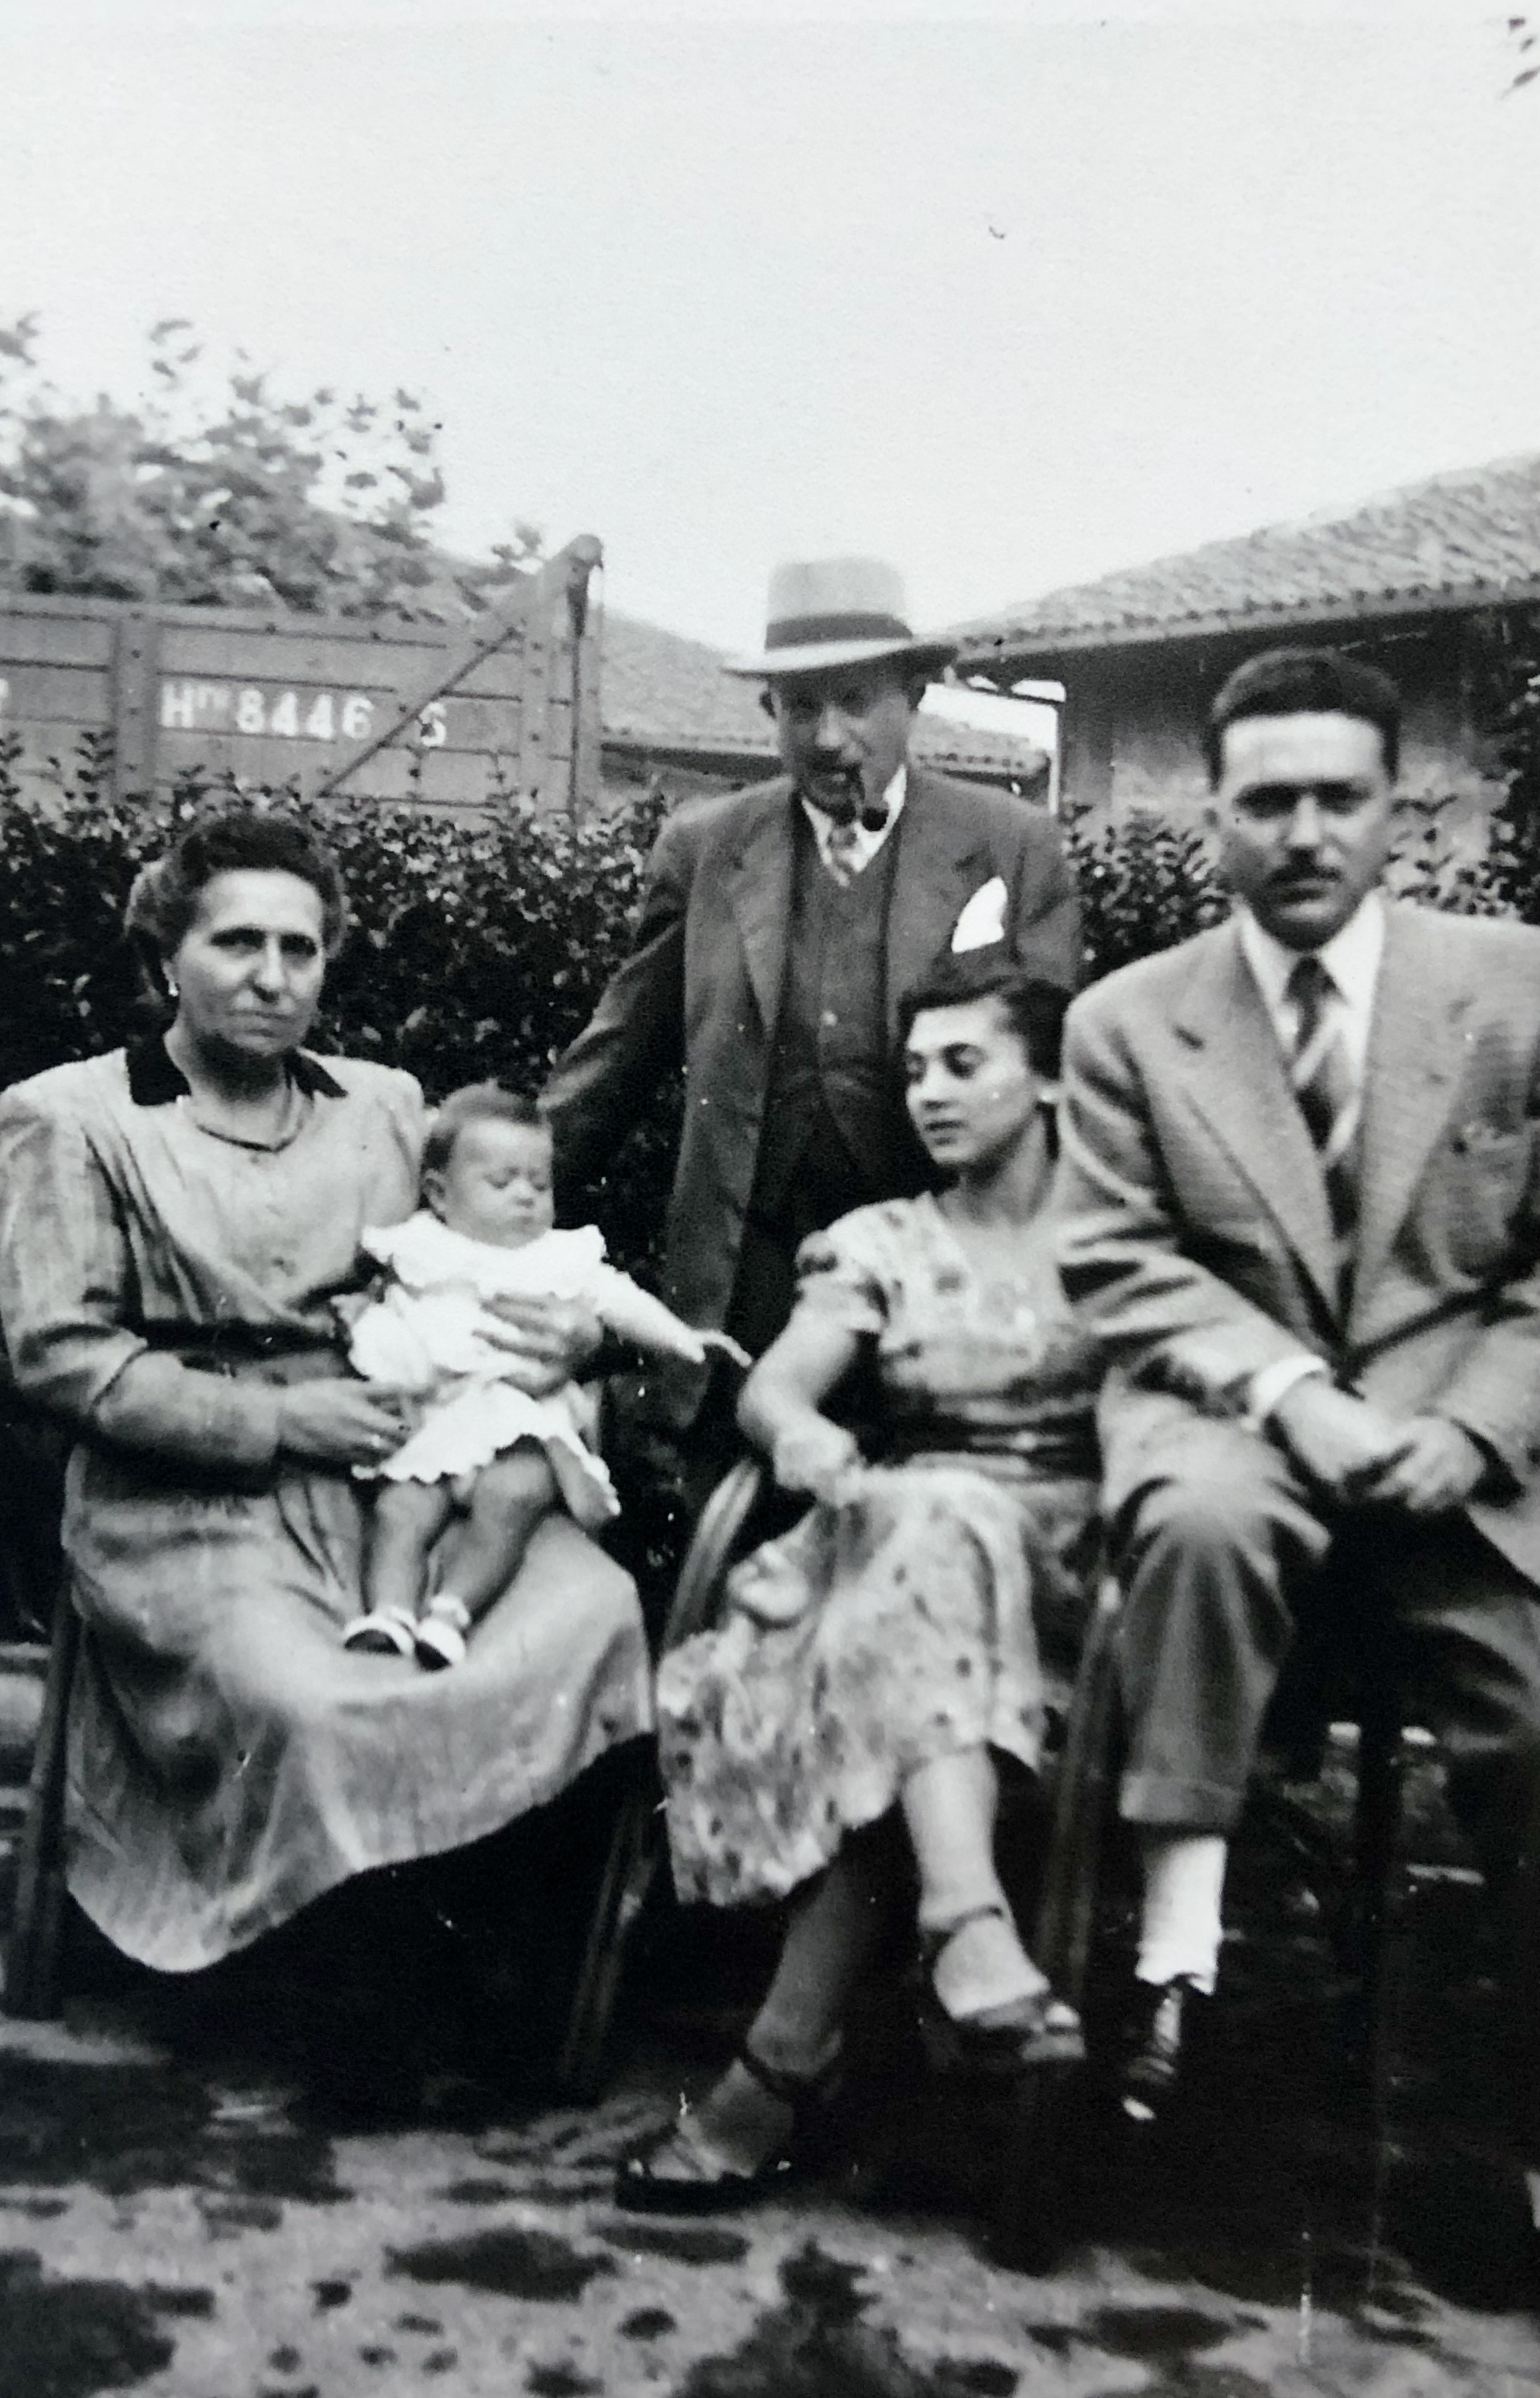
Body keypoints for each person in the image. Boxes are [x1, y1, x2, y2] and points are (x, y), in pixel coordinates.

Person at [0, 808, 650, 2052]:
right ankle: (355, 1985)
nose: (271, 976)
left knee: (588, 1611)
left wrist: (566, 1339)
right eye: (236, 943)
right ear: (164, 959)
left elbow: (473, 1267)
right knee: (310, 1693)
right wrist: (278, 1418)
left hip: (392, 1461)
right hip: (184, 1497)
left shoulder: (382, 1107)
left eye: (300, 950)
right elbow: (59, 1355)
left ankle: (489, 1952)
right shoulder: (74, 1117)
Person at [1054, 646, 1540, 2174]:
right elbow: (1115, 1259)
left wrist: (1464, 1429)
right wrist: (1284, 1395)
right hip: (1230, 1413)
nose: (1304, 832)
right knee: (1194, 1526)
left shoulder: (1514, 987)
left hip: (1460, 1430)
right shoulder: (1129, 1020)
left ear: (1397, 809)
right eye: (1266, 801)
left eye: (1338, 796)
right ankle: (1175, 1967)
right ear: (1210, 817)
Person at [616, 947, 1101, 2211]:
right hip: (895, 1557)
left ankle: (777, 2071)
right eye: (914, 1071)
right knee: (929, 1513)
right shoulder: (883, 1242)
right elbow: (778, 1382)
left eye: (964, 1063)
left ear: (1047, 1082)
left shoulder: (1120, 1240)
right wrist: (799, 1434)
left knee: (901, 1671)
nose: (930, 1093)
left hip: (1067, 1590)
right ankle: (961, 1928)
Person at [542, 556, 1082, 1499]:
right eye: (800, 708)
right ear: (771, 716)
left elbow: (1050, 1068)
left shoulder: (1009, 844)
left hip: (936, 1265)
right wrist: (467, 1206)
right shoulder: (709, 847)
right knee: (737, 1523)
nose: (830, 737)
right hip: (751, 1259)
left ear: (915, 695)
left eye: (857, 700)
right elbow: (619, 1053)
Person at [343, 1083, 748, 1668]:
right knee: (400, 1509)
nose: (526, 1199)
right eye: (502, 1183)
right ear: (438, 1193)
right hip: (437, 1419)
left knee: (517, 1494)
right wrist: (368, 1335)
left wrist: (684, 1339)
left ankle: (453, 1610)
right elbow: (383, 1318)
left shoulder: (560, 1257)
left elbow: (620, 1300)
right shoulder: (419, 1249)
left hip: (519, 1421)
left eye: (539, 1183)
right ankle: (389, 1610)